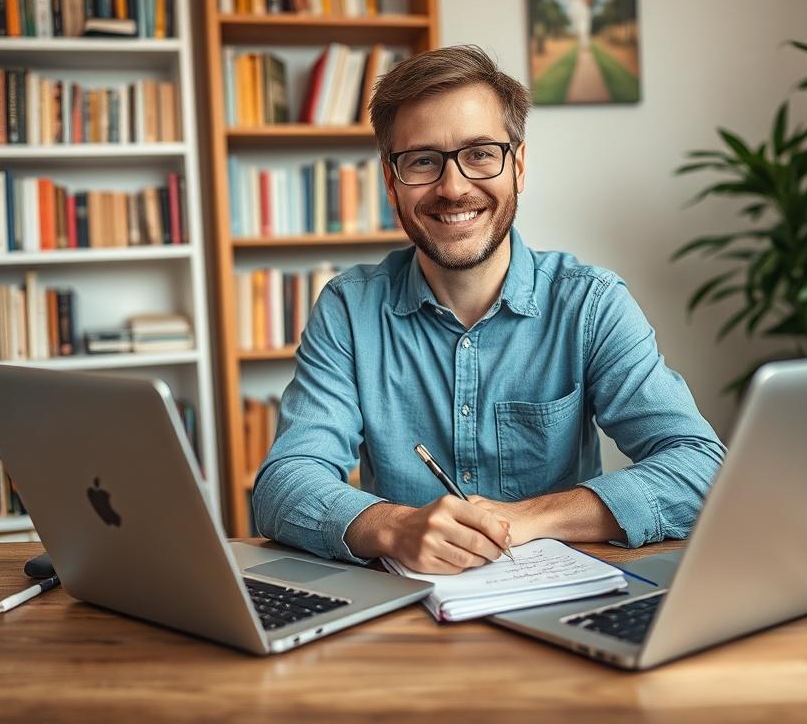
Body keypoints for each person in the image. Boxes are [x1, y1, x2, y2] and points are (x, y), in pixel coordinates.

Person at [253, 45, 725, 575]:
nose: (453, 188)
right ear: (392, 182)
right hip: (405, 620)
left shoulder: (591, 303)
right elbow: (284, 483)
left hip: (561, 602)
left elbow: (700, 467)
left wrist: (527, 518)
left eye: (480, 153)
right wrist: (395, 526)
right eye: (423, 161)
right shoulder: (348, 308)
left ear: (518, 166)